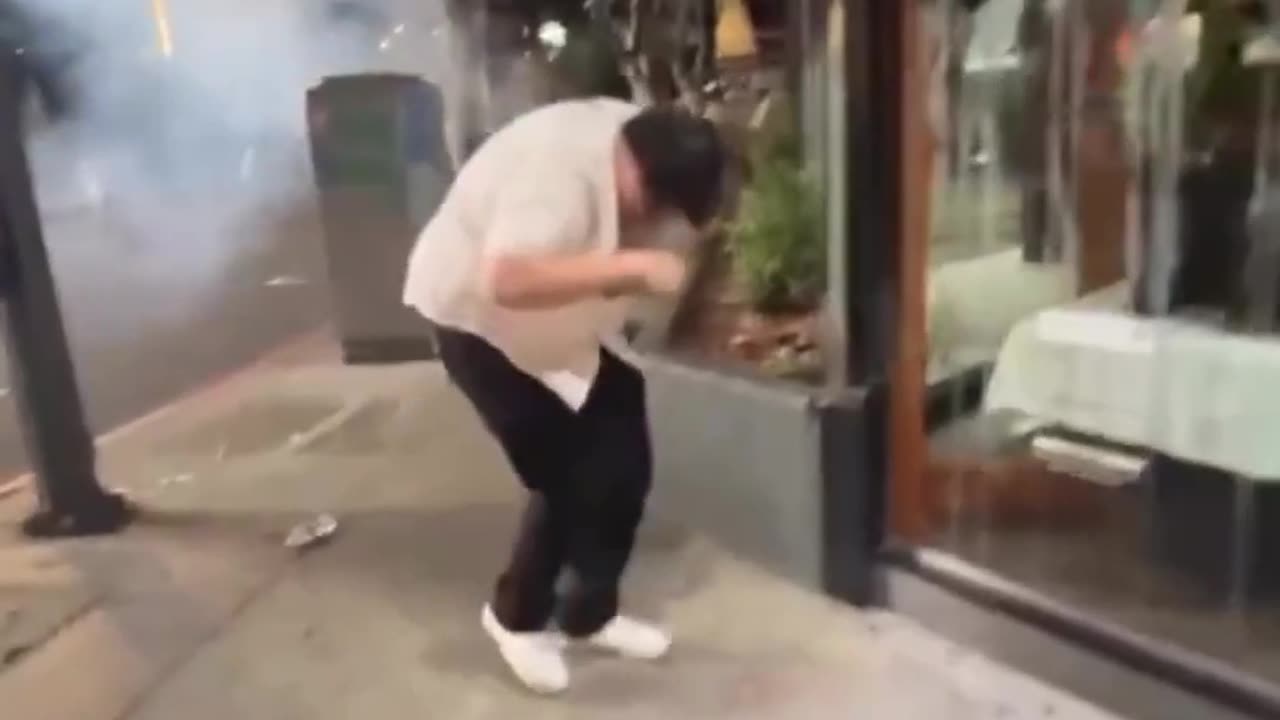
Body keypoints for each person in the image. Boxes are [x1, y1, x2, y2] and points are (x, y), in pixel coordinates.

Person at [403, 98, 726, 694]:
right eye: (657, 210)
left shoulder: (642, 137)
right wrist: (631, 267)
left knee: (624, 460)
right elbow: (504, 279)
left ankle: (589, 614)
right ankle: (515, 619)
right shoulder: (558, 179)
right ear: (638, 175)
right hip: (476, 322)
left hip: (558, 324)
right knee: (568, 473)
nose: (658, 225)